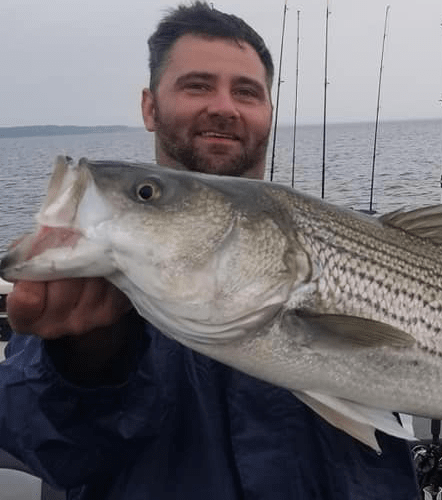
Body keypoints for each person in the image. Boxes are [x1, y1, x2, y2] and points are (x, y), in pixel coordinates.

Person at [0, 3, 419, 499]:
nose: (224, 106)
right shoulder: (99, 269)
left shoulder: (363, 249)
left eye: (246, 91)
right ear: (150, 107)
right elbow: (56, 452)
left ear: (267, 113)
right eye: (197, 85)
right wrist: (88, 360)